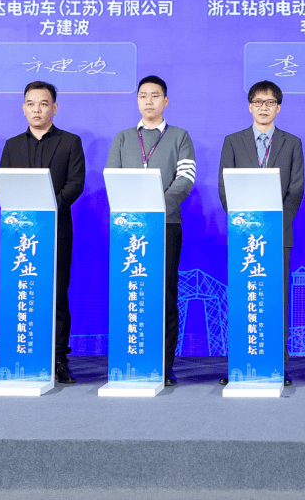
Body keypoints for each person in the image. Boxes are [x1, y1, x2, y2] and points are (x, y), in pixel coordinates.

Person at [105, 75, 196, 387]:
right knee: (130, 291)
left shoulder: (180, 136)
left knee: (165, 293)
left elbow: (185, 178)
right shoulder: (123, 138)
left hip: (166, 225)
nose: (148, 101)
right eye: (143, 95)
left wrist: (158, 205)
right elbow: (113, 176)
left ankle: (165, 364)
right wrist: (135, 210)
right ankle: (129, 357)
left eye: (155, 95)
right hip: (129, 230)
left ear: (165, 101)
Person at [0, 81, 86, 384]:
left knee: (57, 295)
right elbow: (5, 184)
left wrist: (48, 208)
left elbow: (75, 183)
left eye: (43, 103)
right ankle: (24, 352)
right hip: (21, 234)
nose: (37, 109)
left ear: (55, 108)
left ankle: (59, 358)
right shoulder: (12, 145)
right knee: (23, 292)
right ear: (24, 108)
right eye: (31, 104)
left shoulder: (70, 142)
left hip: (57, 229)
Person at [218, 80, 304, 386]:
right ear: (249, 106)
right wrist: (244, 225)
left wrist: (273, 227)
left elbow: (296, 189)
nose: (263, 108)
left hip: (278, 236)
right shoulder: (233, 141)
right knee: (244, 298)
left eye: (269, 103)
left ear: (278, 107)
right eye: (257, 102)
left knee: (276, 299)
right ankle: (240, 362)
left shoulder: (292, 143)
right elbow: (225, 187)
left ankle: (276, 364)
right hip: (244, 237)